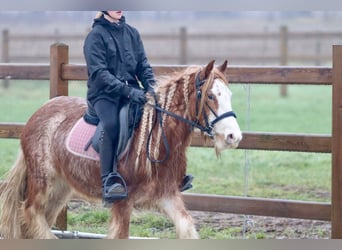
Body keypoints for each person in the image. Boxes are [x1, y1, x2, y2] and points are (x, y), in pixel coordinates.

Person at [83, 11, 193, 207]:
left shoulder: (132, 33)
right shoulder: (95, 37)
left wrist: (151, 87)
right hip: (104, 95)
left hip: (132, 91)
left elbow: (142, 65)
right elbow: (100, 74)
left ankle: (172, 173)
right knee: (111, 124)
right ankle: (109, 180)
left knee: (160, 118)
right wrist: (128, 91)